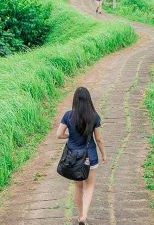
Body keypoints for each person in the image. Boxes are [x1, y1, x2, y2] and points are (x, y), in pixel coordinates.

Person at [57, 87, 107, 225]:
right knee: (89, 186)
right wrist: (103, 154)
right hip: (90, 157)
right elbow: (99, 139)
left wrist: (69, 135)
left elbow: (58, 135)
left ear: (75, 100)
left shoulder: (68, 115)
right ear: (88, 100)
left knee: (78, 187)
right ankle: (84, 215)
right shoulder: (94, 116)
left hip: (74, 158)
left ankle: (80, 216)